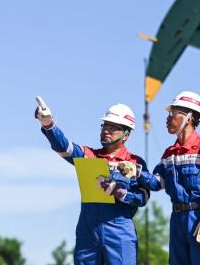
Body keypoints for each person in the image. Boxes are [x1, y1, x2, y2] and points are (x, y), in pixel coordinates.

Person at [35, 98, 149, 265]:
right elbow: (65, 148)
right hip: (88, 232)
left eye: (112, 127)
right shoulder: (90, 156)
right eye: (104, 126)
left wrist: (120, 192)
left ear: (126, 134)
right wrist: (48, 125)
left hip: (119, 232)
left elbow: (143, 197)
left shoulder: (135, 163)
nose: (106, 131)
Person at [133, 90, 200, 265]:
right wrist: (136, 172)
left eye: (173, 113)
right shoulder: (169, 154)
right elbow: (157, 183)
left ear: (189, 117)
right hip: (177, 220)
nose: (168, 118)